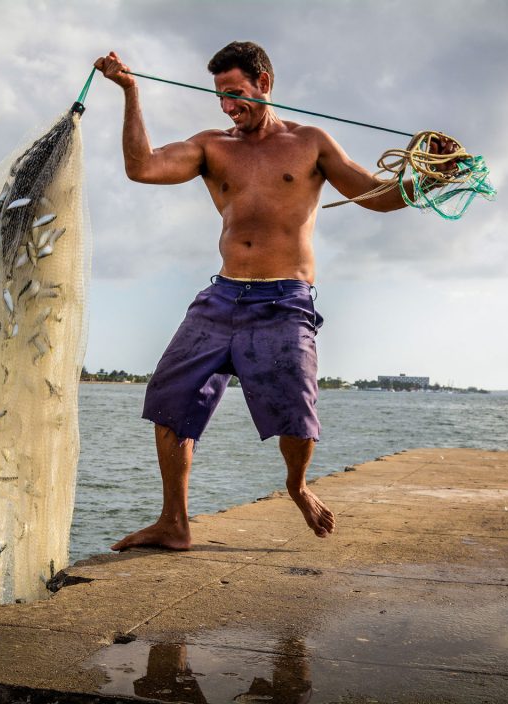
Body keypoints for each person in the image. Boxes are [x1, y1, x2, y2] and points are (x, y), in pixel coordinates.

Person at [94, 42, 455, 551]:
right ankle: (174, 522)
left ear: (264, 83)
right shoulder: (211, 146)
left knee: (297, 414)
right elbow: (143, 167)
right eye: (220, 96)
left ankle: (297, 485)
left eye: (235, 93)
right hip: (222, 297)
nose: (226, 106)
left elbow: (378, 197)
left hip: (285, 298)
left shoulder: (311, 142)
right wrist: (130, 92)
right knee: (169, 398)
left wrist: (428, 178)